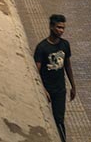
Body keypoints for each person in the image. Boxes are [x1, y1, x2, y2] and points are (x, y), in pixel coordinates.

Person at [33, 14, 75, 142]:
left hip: (60, 89)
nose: (61, 30)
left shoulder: (65, 45)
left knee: (59, 119)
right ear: (51, 27)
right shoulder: (42, 48)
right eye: (58, 27)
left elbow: (67, 65)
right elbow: (36, 72)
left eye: (63, 28)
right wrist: (43, 90)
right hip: (46, 88)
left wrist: (73, 86)